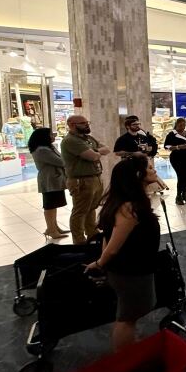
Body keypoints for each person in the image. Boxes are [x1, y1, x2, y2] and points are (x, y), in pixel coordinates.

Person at [85, 156, 160, 352]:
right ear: (138, 175)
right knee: (127, 318)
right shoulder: (129, 207)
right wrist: (101, 263)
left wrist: (104, 263)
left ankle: (128, 349)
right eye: (149, 168)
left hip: (130, 268)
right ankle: (125, 357)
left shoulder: (126, 202)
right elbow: (114, 246)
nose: (154, 170)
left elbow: (106, 237)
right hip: (130, 271)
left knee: (129, 313)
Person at [60, 115, 111, 244]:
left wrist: (95, 151)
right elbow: (92, 156)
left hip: (95, 178)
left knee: (92, 208)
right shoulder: (70, 140)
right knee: (80, 211)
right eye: (83, 123)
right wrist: (96, 152)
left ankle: (92, 234)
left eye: (87, 122)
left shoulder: (88, 138)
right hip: (81, 181)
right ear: (72, 125)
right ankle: (79, 241)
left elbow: (107, 149)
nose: (87, 125)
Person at [28, 127, 68, 240]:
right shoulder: (42, 150)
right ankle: (51, 229)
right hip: (49, 179)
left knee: (54, 204)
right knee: (49, 205)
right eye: (51, 134)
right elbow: (61, 161)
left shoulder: (48, 147)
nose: (53, 136)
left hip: (54, 179)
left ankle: (54, 227)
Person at [164, 118, 186, 205]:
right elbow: (167, 146)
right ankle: (178, 196)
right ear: (176, 125)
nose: (182, 127)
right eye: (180, 125)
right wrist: (179, 147)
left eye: (184, 125)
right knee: (181, 176)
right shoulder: (172, 134)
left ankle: (184, 195)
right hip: (177, 158)